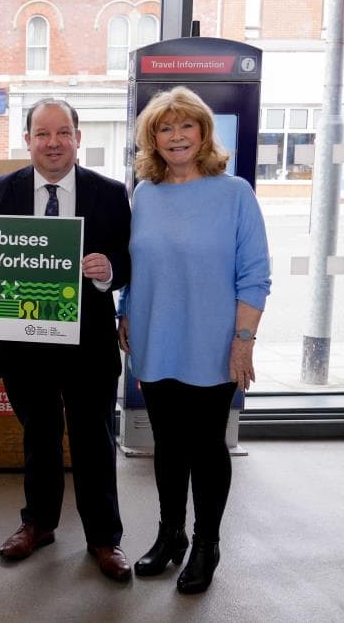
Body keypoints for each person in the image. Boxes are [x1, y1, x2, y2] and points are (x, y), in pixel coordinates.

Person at [118, 86, 270, 594]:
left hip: (212, 341)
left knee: (206, 447)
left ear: (204, 133)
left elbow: (255, 276)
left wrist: (243, 340)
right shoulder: (145, 193)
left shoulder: (235, 194)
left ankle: (207, 544)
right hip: (154, 337)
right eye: (165, 128)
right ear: (153, 139)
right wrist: (124, 311)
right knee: (167, 445)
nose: (176, 136)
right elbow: (137, 263)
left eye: (186, 125)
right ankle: (171, 535)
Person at [0, 98, 133, 582]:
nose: (53, 143)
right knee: (39, 437)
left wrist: (108, 270)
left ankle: (104, 538)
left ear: (78, 138)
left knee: (94, 441)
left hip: (88, 343)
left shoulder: (110, 193)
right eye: (42, 134)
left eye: (62, 132)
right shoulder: (1, 191)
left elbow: (129, 260)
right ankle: (39, 524)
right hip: (23, 343)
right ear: (27, 140)